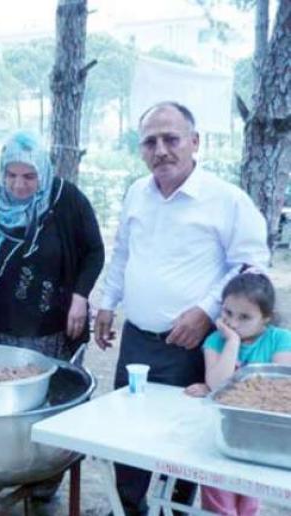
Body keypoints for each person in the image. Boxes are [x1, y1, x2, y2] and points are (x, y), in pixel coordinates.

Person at [95, 101, 270, 515]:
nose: (161, 150)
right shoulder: (137, 193)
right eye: (150, 142)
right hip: (137, 343)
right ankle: (130, 509)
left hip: (194, 345)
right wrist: (106, 303)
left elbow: (250, 264)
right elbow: (122, 254)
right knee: (129, 437)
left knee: (187, 445)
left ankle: (175, 511)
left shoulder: (226, 200)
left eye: (171, 139)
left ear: (195, 142)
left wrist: (208, 311)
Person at [0, 130, 104, 361]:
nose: (18, 185)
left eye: (29, 176)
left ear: (43, 172)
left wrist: (80, 297)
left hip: (56, 330)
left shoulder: (67, 200)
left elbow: (94, 252)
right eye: (11, 175)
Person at [184, 272, 291, 516]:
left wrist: (214, 389)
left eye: (245, 317)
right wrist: (232, 342)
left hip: (264, 437)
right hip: (223, 435)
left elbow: (280, 388)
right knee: (220, 502)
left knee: (250, 500)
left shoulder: (281, 339)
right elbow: (219, 383)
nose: (232, 323)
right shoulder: (215, 340)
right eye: (227, 313)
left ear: (266, 318)